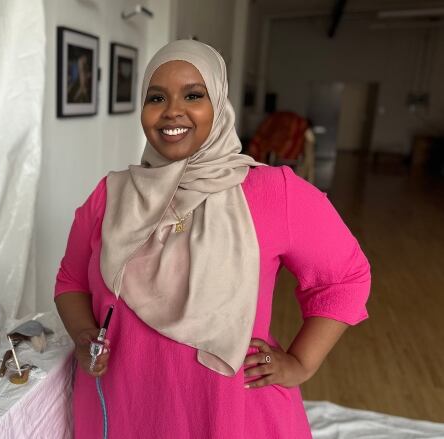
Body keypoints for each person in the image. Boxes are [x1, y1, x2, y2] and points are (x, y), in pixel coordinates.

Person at [53, 40, 370, 438]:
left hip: (228, 412)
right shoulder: (110, 196)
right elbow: (71, 281)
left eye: (193, 95)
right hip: (125, 407)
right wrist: (84, 336)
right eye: (156, 97)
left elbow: (345, 276)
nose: (172, 110)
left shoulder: (273, 192)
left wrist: (301, 363)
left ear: (218, 104)